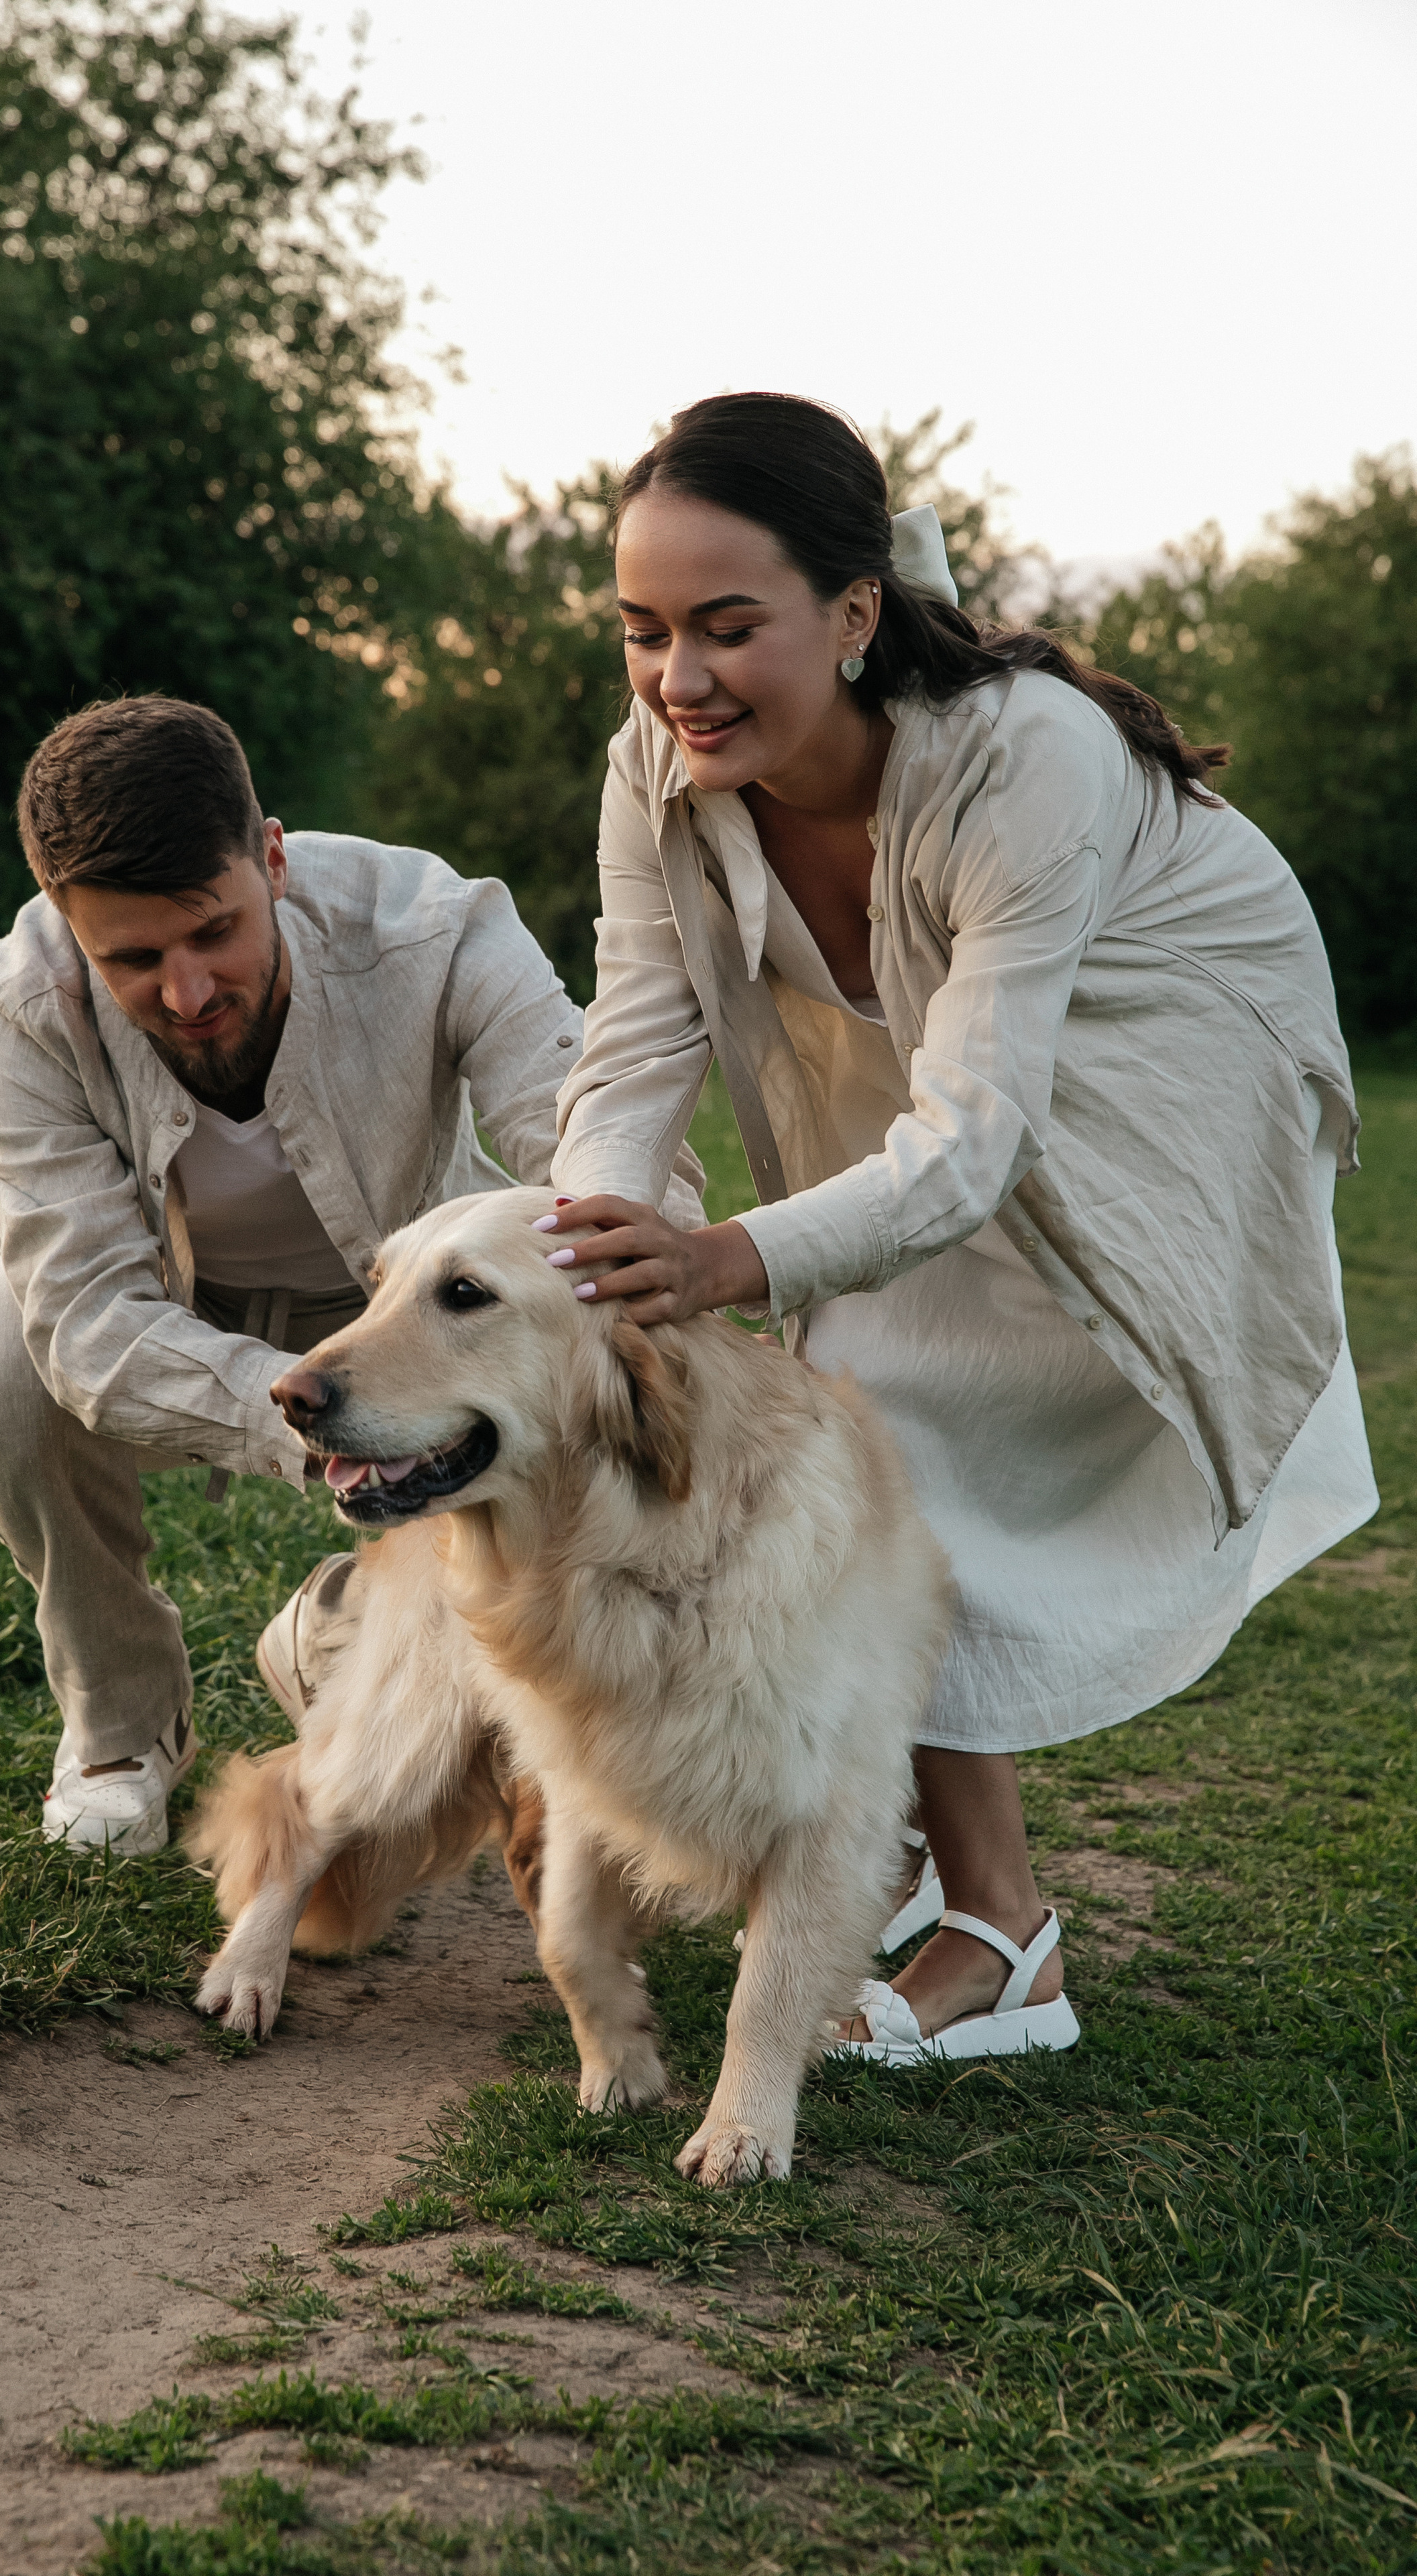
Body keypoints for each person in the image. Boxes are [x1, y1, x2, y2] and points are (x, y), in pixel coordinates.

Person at [541, 392, 1377, 2063]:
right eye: (641, 633)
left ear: (851, 616)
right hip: (929, 1084)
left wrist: (726, 1258)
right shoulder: (663, 765)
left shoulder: (1024, 753)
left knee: (891, 1415)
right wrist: (585, 1271)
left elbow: (976, 1135)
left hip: (1159, 1068)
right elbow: (632, 1047)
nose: (677, 679)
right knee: (859, 1405)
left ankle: (1003, 1943)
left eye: (726, 628)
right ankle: (934, 1866)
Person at [0, 692, 700, 1856]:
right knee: (2, 1354)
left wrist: (623, 1244)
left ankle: (331, 1638)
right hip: (164, 1311)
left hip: (408, 1308)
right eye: (132, 959)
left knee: (435, 1685)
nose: (187, 991)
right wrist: (321, 1409)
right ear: (64, 920)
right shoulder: (11, 1005)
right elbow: (91, 1322)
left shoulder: (435, 925)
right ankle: (121, 1728)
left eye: (214, 931)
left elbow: (597, 1139)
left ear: (273, 858)